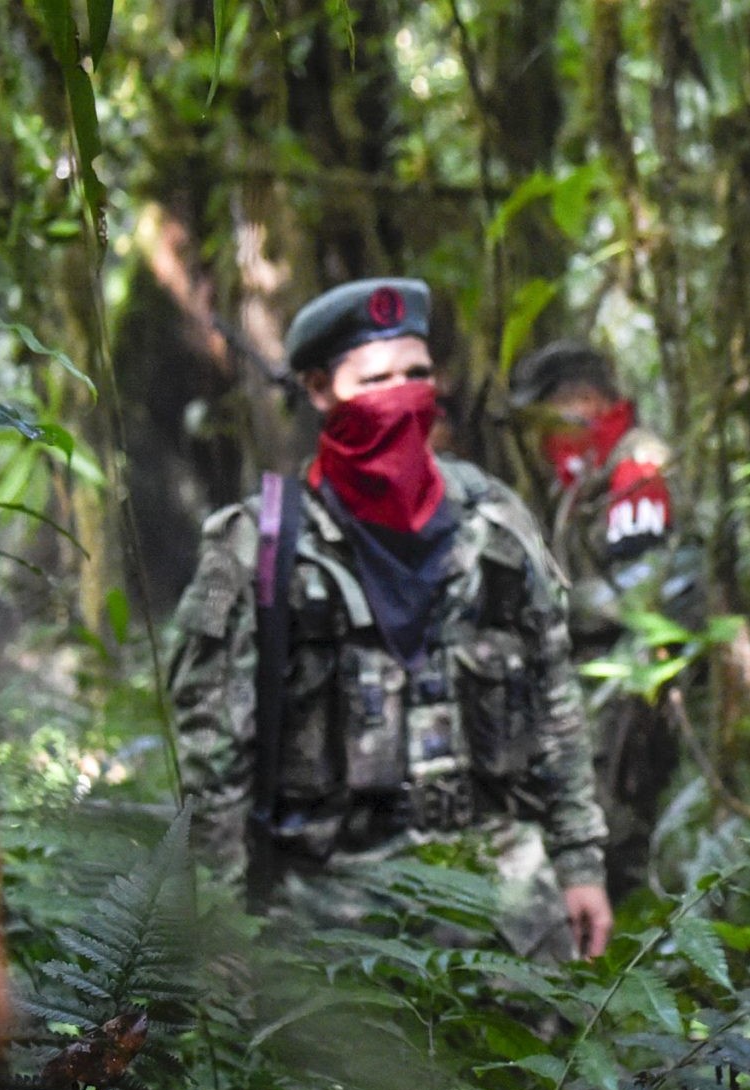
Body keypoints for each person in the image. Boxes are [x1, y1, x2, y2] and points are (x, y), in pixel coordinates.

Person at [169, 277, 614, 961]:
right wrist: (226, 934)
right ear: (320, 391)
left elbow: (558, 704)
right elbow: (213, 761)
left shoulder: (495, 524)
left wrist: (580, 863)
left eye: (418, 375)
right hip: (332, 926)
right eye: (376, 380)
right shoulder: (260, 549)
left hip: (510, 915)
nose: (404, 397)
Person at [509, 340, 697, 897]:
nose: (542, 439)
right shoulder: (583, 475)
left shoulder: (636, 464)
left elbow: (644, 592)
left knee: (622, 835)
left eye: (550, 418)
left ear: (586, 402)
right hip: (598, 683)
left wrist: (543, 610)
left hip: (638, 687)